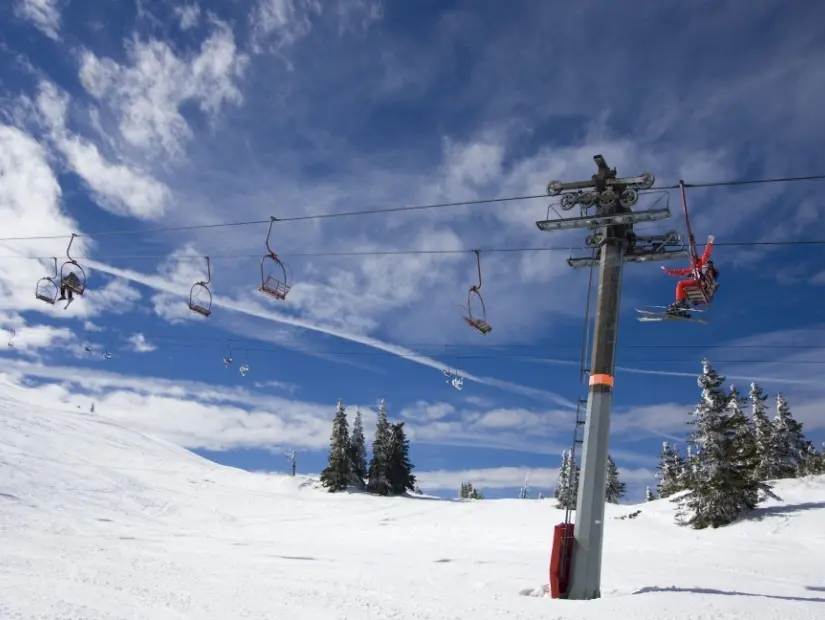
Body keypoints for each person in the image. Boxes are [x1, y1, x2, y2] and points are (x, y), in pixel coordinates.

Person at [662, 235, 717, 313]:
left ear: (695, 258)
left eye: (692, 259)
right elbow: (679, 272)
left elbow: (706, 254)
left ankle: (679, 303)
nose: (691, 261)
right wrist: (668, 271)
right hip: (695, 283)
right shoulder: (691, 269)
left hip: (699, 282)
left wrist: (710, 243)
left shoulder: (700, 263)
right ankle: (681, 305)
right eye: (690, 260)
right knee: (682, 288)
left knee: (680, 284)